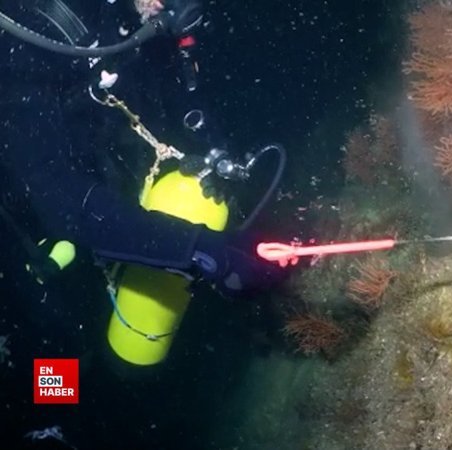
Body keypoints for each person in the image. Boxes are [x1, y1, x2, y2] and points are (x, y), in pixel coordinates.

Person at [0, 0, 284, 298]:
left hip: (121, 191)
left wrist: (215, 150)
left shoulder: (143, 13)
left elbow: (181, 90)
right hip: (56, 240)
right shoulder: (24, 35)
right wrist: (198, 249)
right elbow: (59, 196)